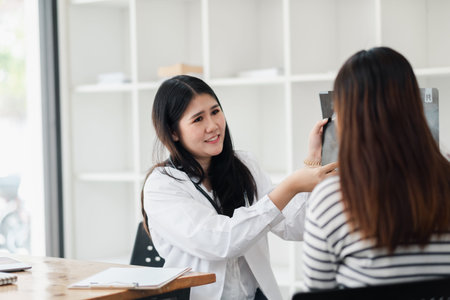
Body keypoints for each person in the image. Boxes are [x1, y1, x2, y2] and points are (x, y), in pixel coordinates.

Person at [141, 75, 337, 300]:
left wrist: (314, 160)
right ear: (173, 132)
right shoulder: (161, 186)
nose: (213, 126)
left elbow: (297, 226)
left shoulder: (245, 165)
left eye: (215, 112)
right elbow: (221, 242)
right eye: (198, 119)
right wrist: (290, 187)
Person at [301, 47, 450, 290]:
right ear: (414, 106)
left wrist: (313, 159)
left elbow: (318, 292)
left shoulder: (332, 199)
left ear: (348, 118)